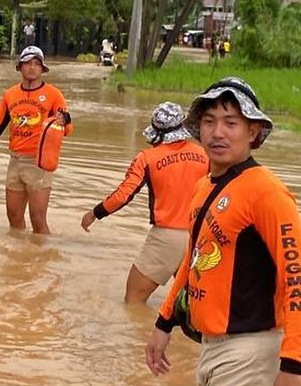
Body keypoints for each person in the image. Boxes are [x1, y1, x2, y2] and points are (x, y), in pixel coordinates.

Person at [144, 77, 301, 386]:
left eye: (230, 123)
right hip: (211, 344)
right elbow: (192, 262)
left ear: (253, 131)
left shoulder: (266, 192)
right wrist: (164, 323)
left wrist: (293, 364)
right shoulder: (204, 187)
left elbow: (298, 279)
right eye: (209, 122)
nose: (217, 133)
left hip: (250, 348)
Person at [80, 102, 207, 302]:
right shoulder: (205, 155)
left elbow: (124, 195)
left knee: (133, 299)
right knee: (192, 302)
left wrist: (94, 213)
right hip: (200, 235)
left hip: (166, 237)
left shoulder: (147, 158)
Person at [0, 45, 71, 234]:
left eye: (36, 63)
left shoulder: (53, 94)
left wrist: (65, 120)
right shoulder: (10, 94)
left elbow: (67, 130)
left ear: (42, 68)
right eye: (27, 63)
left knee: (38, 219)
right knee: (14, 217)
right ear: (20, 67)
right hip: (15, 160)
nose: (32, 67)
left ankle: (43, 251)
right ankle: (18, 252)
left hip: (39, 163)